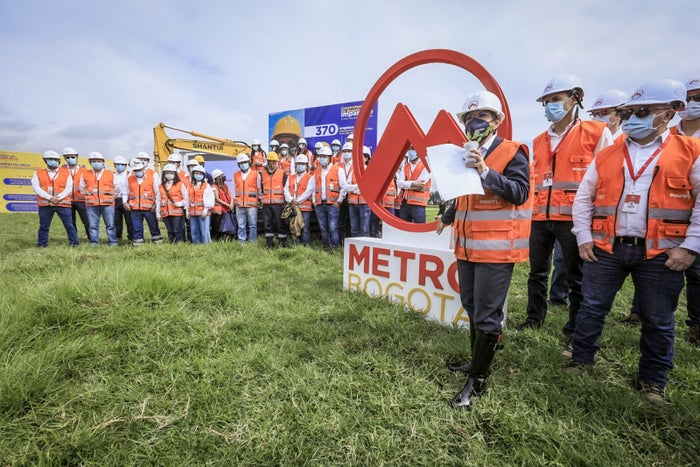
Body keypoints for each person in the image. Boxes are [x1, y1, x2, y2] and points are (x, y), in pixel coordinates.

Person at [569, 78, 700, 404]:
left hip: (662, 252)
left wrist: (690, 247)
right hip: (607, 248)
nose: (632, 118)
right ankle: (580, 360)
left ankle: (653, 380)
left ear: (668, 114)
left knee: (658, 319)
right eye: (629, 112)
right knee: (592, 307)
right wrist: (583, 237)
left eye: (643, 111)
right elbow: (584, 198)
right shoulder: (608, 154)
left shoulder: (690, 151)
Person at [437, 90, 531, 409]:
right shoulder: (464, 153)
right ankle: (475, 362)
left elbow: (520, 192)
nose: (474, 122)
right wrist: (448, 216)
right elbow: (464, 195)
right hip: (466, 248)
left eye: (482, 116)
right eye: (469, 118)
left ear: (497, 120)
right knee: (472, 306)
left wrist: (485, 172)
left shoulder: (513, 151)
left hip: (496, 249)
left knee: (488, 315)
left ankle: (477, 382)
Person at [518, 74, 613, 359]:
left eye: (556, 99)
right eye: (547, 101)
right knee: (537, 273)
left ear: (575, 99)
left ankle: (575, 329)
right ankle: (534, 317)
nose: (550, 105)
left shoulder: (596, 132)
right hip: (539, 216)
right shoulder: (538, 140)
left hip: (574, 219)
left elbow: (607, 177)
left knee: (576, 277)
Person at [674, 77, 700, 346]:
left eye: (698, 98)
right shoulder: (667, 135)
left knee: (697, 274)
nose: (692, 103)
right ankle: (639, 313)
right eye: (687, 98)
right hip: (669, 216)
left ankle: (696, 326)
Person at [31, 150, 79, 247]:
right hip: (45, 204)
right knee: (44, 226)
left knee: (69, 225)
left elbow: (69, 187)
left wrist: (58, 198)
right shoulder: (38, 173)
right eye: (50, 159)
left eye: (55, 159)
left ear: (59, 161)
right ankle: (42, 244)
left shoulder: (66, 173)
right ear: (45, 160)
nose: (53, 161)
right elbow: (36, 187)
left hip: (63, 204)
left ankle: (74, 244)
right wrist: (49, 198)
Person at [79, 151, 117, 246]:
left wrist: (110, 197)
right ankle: (94, 242)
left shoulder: (110, 174)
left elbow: (116, 188)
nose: (96, 163)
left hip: (108, 204)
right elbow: (81, 188)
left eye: (98, 161)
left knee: (110, 224)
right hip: (91, 205)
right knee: (92, 225)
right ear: (90, 162)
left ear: (103, 162)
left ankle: (113, 242)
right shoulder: (85, 174)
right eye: (94, 161)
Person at [125, 159, 163, 246]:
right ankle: (138, 242)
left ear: (143, 169)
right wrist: (124, 202)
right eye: (136, 170)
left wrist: (155, 205)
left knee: (153, 225)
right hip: (135, 209)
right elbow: (125, 192)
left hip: (149, 208)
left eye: (139, 170)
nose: (137, 172)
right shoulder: (129, 179)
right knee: (136, 227)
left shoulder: (151, 178)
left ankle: (157, 241)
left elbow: (158, 193)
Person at [339, 142, 370, 237]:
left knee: (364, 230)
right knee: (354, 230)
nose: (359, 159)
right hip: (352, 204)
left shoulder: (370, 171)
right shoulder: (353, 171)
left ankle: (364, 246)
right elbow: (346, 186)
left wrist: (353, 188)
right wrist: (358, 188)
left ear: (367, 158)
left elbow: (367, 188)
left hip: (364, 204)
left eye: (362, 157)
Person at [314, 146, 341, 250]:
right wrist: (314, 202)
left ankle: (334, 248)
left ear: (330, 157)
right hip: (320, 204)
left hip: (332, 205)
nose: (322, 158)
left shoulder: (337, 169)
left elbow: (343, 187)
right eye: (320, 156)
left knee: (333, 227)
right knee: (323, 227)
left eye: (324, 156)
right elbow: (312, 188)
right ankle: (326, 247)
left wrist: (339, 201)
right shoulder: (317, 171)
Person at [259, 151, 288, 248]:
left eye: (273, 162)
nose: (271, 164)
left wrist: (286, 202)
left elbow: (286, 189)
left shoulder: (282, 174)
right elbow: (261, 189)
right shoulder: (262, 174)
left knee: (280, 224)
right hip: (266, 204)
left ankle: (282, 243)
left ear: (277, 162)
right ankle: (269, 243)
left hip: (279, 204)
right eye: (269, 161)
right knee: (267, 224)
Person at [285, 154, 315, 246]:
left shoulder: (310, 177)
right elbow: (285, 190)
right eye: (298, 163)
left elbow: (309, 191)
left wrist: (296, 201)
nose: (300, 165)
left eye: (302, 164)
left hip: (304, 208)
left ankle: (305, 246)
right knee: (294, 226)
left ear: (306, 165)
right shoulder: (291, 177)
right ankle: (295, 245)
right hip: (293, 207)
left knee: (304, 228)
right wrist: (291, 200)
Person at [396, 146, 431, 223]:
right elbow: (399, 183)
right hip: (404, 203)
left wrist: (405, 185)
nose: (410, 151)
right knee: (403, 228)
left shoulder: (426, 166)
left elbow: (421, 184)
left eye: (413, 149)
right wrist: (413, 183)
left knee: (419, 228)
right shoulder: (406, 166)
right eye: (409, 149)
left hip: (418, 204)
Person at [62, 147, 90, 238]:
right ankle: (74, 240)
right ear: (64, 158)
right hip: (67, 200)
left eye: (72, 157)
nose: (70, 159)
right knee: (70, 222)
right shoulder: (61, 171)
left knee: (87, 221)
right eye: (68, 157)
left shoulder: (85, 171)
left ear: (77, 157)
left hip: (82, 200)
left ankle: (91, 239)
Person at [158, 164, 188, 243]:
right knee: (170, 230)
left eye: (171, 173)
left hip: (177, 213)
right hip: (165, 212)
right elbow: (158, 200)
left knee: (177, 229)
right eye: (167, 173)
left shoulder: (180, 185)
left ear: (175, 174)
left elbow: (186, 198)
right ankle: (171, 242)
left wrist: (180, 203)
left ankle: (179, 243)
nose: (169, 174)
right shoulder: (161, 186)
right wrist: (158, 213)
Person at [233, 153, 260, 243]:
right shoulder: (235, 175)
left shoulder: (255, 174)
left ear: (248, 162)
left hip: (252, 204)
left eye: (245, 162)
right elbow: (233, 189)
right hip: (239, 204)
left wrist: (260, 200)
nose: (243, 164)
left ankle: (252, 241)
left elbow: (259, 188)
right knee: (241, 225)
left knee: (252, 224)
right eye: (241, 163)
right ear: (238, 164)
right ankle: (241, 241)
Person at [188, 165, 215, 244]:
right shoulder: (190, 186)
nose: (198, 175)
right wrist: (187, 211)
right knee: (194, 230)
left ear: (203, 175)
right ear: (193, 174)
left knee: (204, 230)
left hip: (203, 212)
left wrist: (205, 210)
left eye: (200, 174)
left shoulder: (206, 185)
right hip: (193, 212)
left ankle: (206, 244)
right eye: (196, 173)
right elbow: (187, 199)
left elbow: (209, 199)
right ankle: (196, 244)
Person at [112, 155, 134, 243]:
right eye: (118, 164)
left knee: (129, 220)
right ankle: (117, 237)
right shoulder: (112, 175)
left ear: (125, 165)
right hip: (115, 200)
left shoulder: (129, 175)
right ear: (114, 165)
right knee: (116, 221)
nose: (120, 166)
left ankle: (131, 238)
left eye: (122, 164)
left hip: (127, 200)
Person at [211, 168, 234, 241]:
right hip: (219, 211)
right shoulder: (214, 187)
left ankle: (226, 240)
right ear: (217, 178)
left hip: (227, 210)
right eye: (221, 175)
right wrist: (228, 205)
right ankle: (217, 240)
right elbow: (217, 199)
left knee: (227, 227)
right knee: (218, 227)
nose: (223, 176)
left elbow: (231, 196)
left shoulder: (225, 186)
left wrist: (231, 204)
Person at [337, 143, 353, 243]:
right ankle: (341, 242)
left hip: (352, 196)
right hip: (341, 196)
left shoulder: (356, 166)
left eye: (349, 151)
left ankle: (350, 242)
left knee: (351, 221)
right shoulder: (338, 166)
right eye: (345, 151)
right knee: (341, 220)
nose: (347, 153)